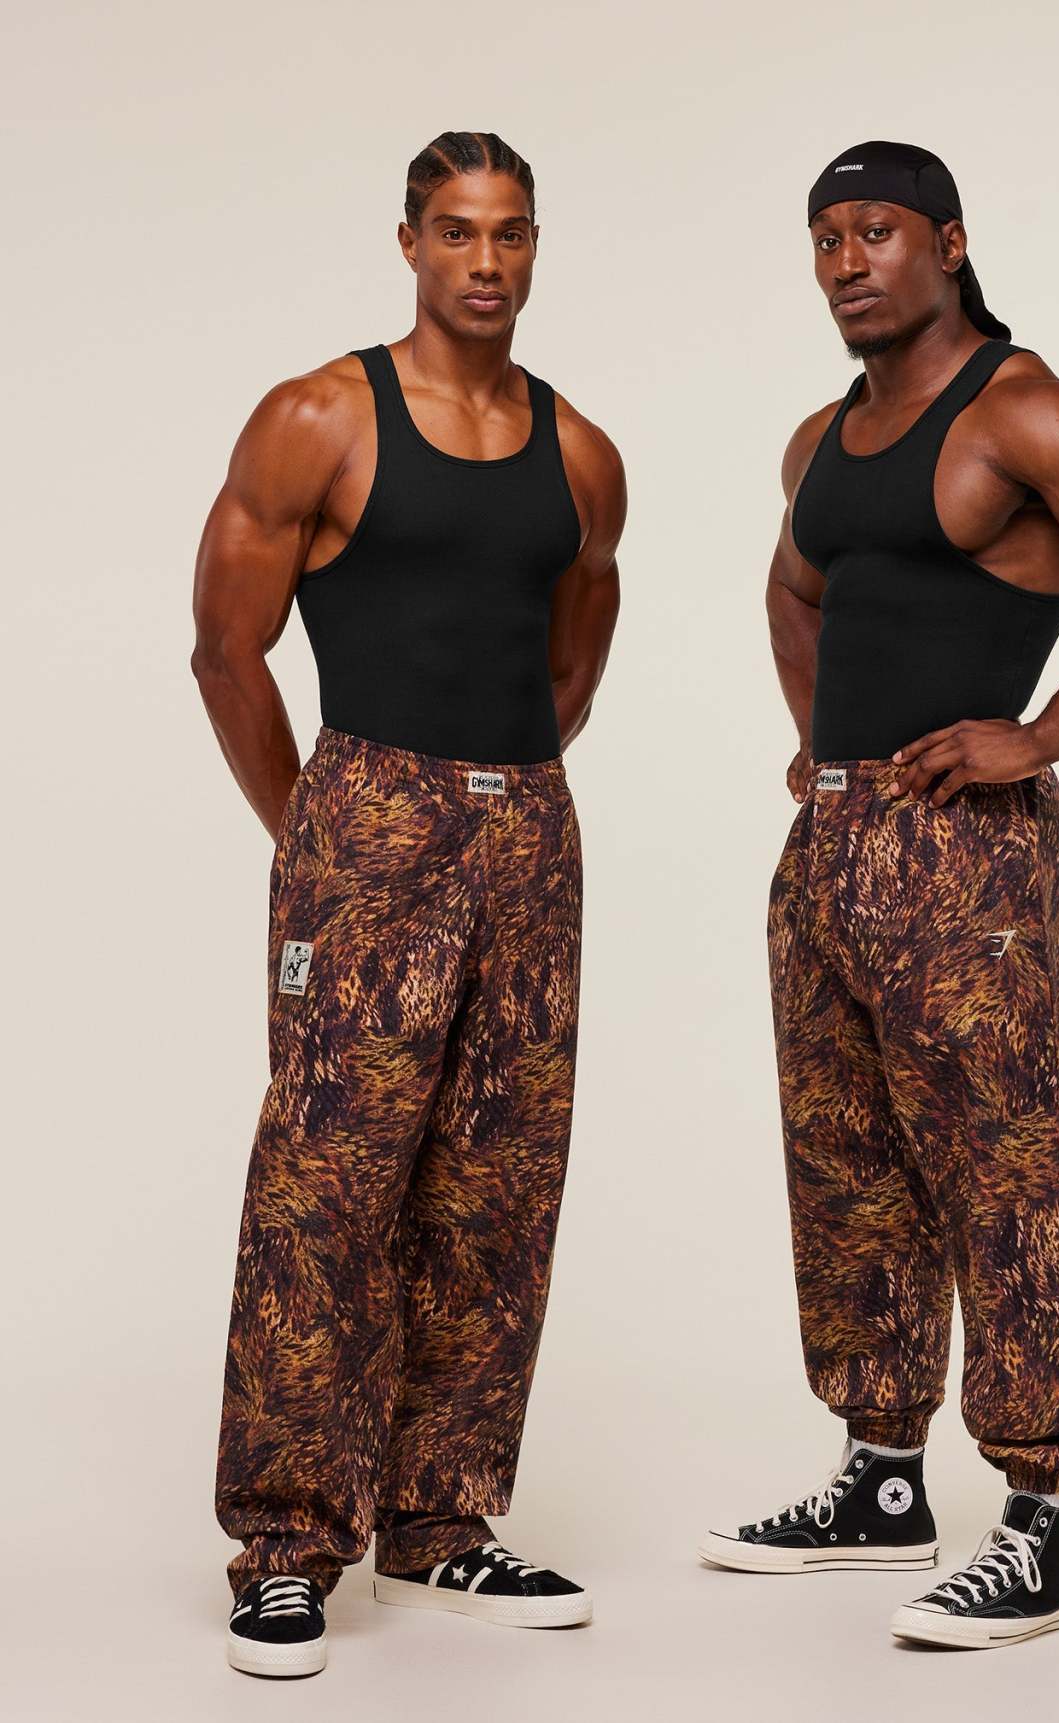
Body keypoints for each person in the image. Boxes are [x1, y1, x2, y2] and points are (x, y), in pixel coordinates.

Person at [698, 140, 1059, 1650]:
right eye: (825, 239)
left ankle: (1040, 1521)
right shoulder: (818, 441)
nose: (846, 262)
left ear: (946, 242)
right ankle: (880, 1480)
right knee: (847, 1165)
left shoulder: (1030, 412)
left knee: (1011, 1178)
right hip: (835, 845)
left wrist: (1041, 736)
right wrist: (820, 749)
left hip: (969, 855)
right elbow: (792, 587)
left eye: (875, 231)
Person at [192, 129, 625, 1678]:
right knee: (328, 1182)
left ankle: (440, 1522)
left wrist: (497, 799)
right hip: (367, 820)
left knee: (499, 1183)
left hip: (531, 836)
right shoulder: (319, 417)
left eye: (510, 232)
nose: (485, 261)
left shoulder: (580, 451)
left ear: (534, 245)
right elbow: (225, 650)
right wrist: (320, 831)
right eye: (455, 231)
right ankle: (286, 1543)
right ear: (408, 244)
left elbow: (576, 644)